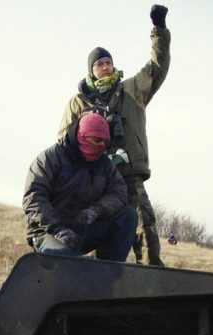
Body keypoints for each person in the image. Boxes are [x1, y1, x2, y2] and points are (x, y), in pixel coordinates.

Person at [58, 4, 171, 266]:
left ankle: (153, 271)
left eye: (109, 62)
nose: (106, 67)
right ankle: (103, 276)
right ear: (91, 70)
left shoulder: (131, 89)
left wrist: (159, 31)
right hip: (95, 176)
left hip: (129, 170)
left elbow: (158, 66)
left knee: (144, 221)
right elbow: (64, 139)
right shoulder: (78, 102)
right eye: (100, 64)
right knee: (100, 223)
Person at [24, 112, 137, 261]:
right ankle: (79, 269)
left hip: (82, 230)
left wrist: (97, 210)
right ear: (82, 136)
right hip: (47, 232)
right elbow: (34, 198)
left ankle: (109, 274)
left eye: (104, 142)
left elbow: (119, 192)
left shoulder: (104, 164)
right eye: (97, 140)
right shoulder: (50, 159)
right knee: (72, 264)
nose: (101, 146)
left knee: (128, 215)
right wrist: (57, 228)